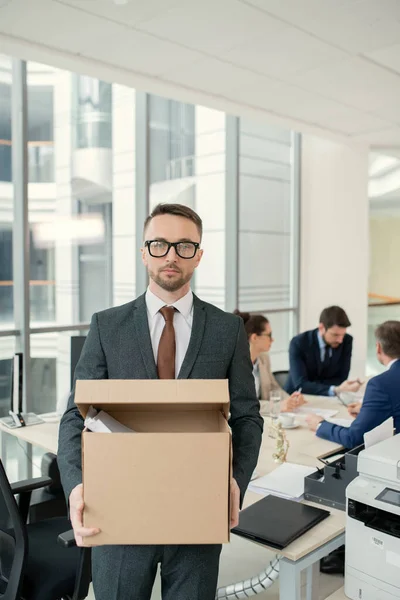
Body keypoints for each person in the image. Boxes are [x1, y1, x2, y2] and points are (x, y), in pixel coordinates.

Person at [57, 203, 263, 600]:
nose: (171, 254)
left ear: (199, 255)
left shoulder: (227, 329)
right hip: (119, 507)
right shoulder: (106, 325)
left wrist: (235, 480)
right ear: (143, 252)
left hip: (196, 507)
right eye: (160, 244)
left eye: (185, 246)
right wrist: (76, 486)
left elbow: (247, 417)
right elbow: (75, 415)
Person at [306, 320, 400, 448]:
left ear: (378, 347)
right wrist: (368, 409)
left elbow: (354, 438)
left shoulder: (380, 385)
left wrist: (320, 425)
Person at [234, 311, 306, 414]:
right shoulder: (234, 365)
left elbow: (273, 388)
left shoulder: (263, 358)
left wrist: (291, 400)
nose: (272, 339)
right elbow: (242, 404)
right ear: (254, 338)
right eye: (269, 335)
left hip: (263, 418)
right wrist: (277, 406)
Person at [285, 305, 362, 397]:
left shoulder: (347, 341)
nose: (340, 340)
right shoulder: (299, 342)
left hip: (329, 398)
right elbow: (301, 384)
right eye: (335, 335)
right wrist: (334, 389)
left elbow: (342, 378)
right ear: (321, 328)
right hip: (297, 398)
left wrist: (316, 386)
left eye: (343, 335)